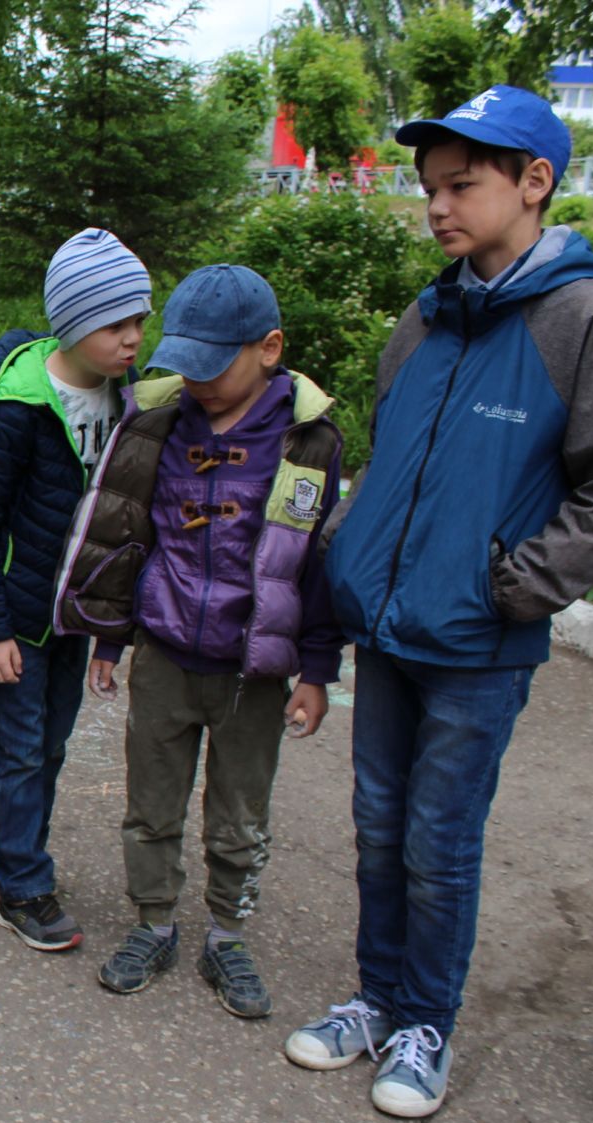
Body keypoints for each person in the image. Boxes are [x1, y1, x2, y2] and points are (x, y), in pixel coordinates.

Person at [291, 87, 593, 1119]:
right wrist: (350, 555)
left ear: (534, 183)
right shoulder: (430, 313)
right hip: (390, 627)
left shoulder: (587, 321)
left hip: (480, 644)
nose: (438, 206)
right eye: (431, 187)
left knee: (442, 839)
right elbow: (391, 454)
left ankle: (426, 1022)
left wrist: (516, 587)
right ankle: (376, 996)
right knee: (378, 823)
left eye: (461, 185)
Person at [56, 265, 343, 1019]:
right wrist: (111, 640)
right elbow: (125, 535)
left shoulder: (308, 444)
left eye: (214, 367)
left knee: (240, 813)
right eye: (184, 364)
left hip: (255, 671)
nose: (197, 382)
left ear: (270, 349)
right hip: (164, 653)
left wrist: (317, 669)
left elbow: (316, 567)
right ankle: (154, 922)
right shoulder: (156, 423)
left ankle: (227, 935)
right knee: (151, 805)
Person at [0, 228, 152, 953]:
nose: (133, 339)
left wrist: (109, 633)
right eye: (115, 324)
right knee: (20, 747)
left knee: (53, 742)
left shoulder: (130, 406)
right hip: (19, 618)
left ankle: (20, 851)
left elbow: (123, 529)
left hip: (76, 617)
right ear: (72, 322)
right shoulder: (17, 409)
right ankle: (23, 883)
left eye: (140, 321)